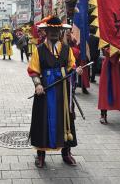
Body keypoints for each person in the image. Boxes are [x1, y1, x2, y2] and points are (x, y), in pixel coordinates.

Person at [27, 16, 83, 168]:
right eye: (50, 30)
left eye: (56, 30)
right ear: (45, 32)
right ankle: (40, 154)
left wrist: (76, 70)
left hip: (63, 90)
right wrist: (37, 85)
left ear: (60, 32)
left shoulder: (67, 49)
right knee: (42, 120)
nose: (53, 33)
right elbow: (33, 70)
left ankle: (66, 153)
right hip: (45, 91)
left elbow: (72, 66)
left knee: (65, 119)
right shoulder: (39, 50)